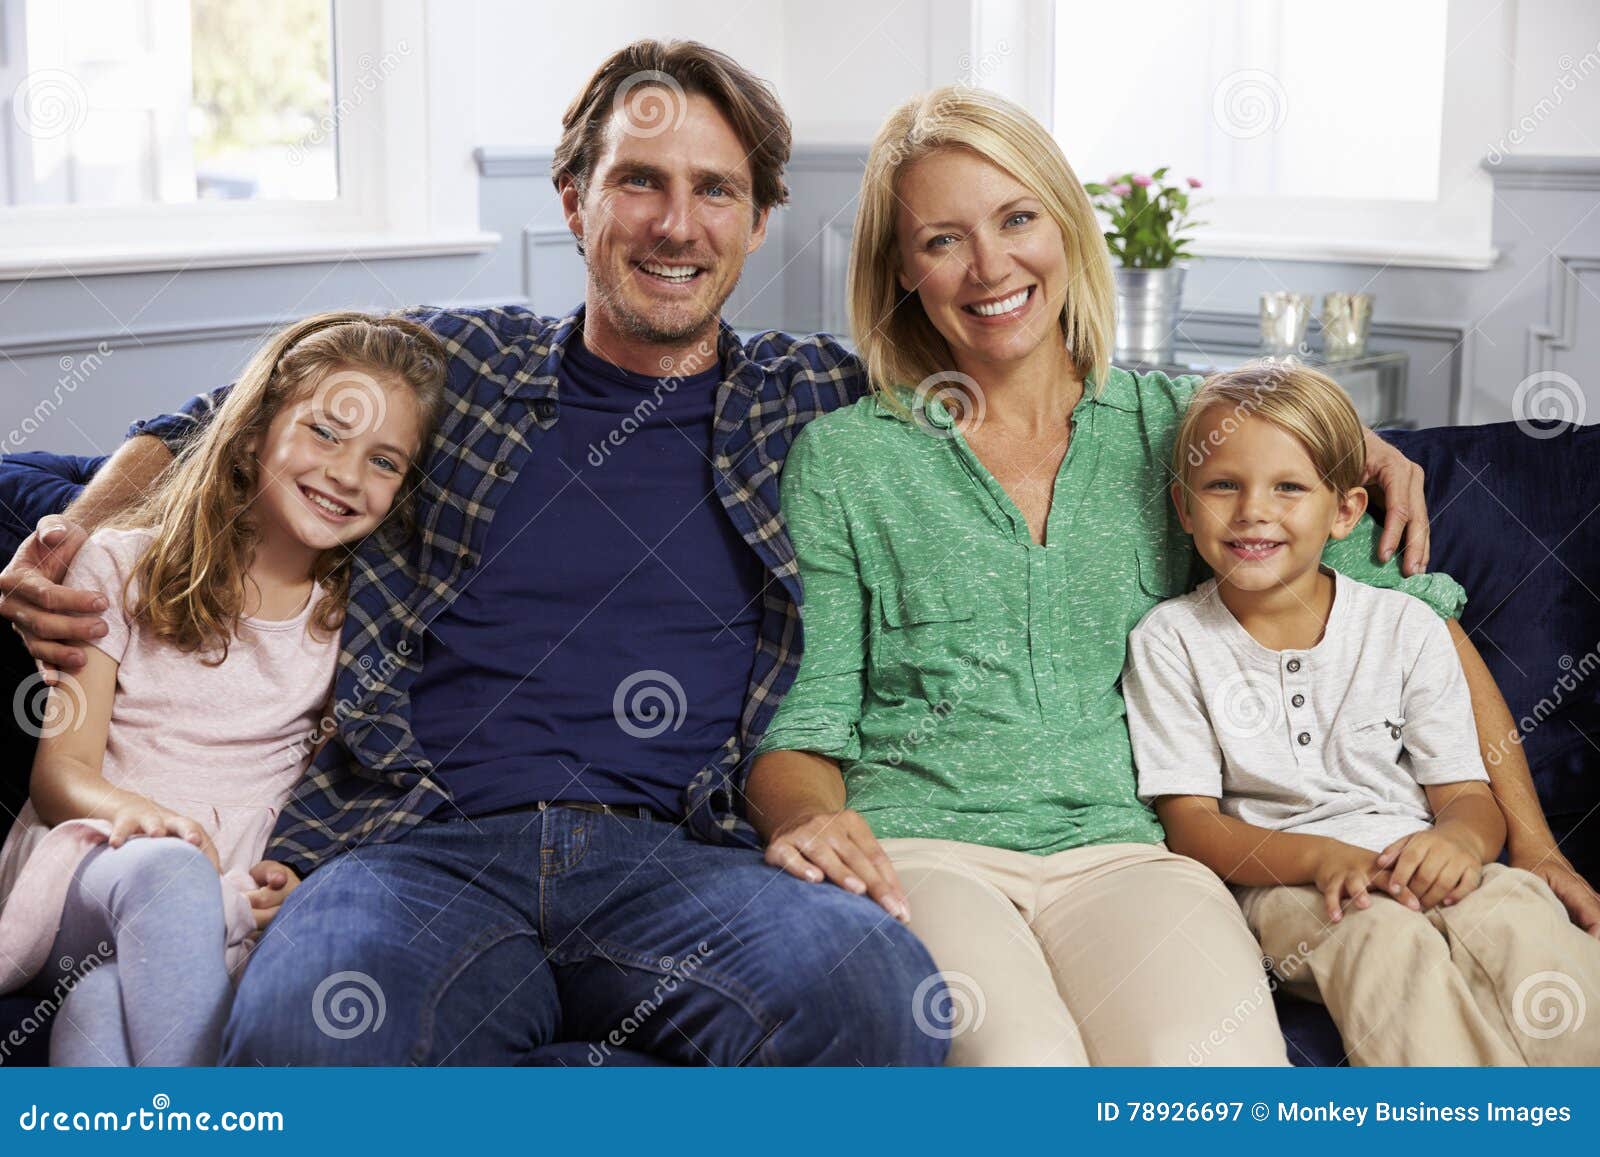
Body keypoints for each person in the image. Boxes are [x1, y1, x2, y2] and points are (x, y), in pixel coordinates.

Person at [0, 40, 953, 1066]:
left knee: (875, 996)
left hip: (683, 849)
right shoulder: (459, 362)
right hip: (418, 842)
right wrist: (73, 540)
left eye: (714, 189)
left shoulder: (815, 397)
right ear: (572, 199)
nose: (677, 223)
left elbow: (1009, 396)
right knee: (307, 1029)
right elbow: (222, 418)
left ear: (761, 219)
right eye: (639, 179)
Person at [744, 84, 1588, 1066]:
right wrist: (809, 816)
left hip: (1135, 852)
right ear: (899, 267)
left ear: (1066, 226)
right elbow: (809, 716)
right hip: (927, 850)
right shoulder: (846, 458)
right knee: (1022, 1067)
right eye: (942, 239)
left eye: (1018, 218)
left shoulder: (1189, 429)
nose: (991, 265)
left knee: (1210, 1072)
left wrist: (1533, 844)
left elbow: (1423, 623)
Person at [0, 311, 446, 1065]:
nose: (345, 473)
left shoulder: (357, 621)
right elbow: (59, 775)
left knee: (100, 1003)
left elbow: (360, 783)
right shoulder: (116, 565)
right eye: (325, 432)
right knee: (169, 874)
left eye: (384, 460)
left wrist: (298, 875)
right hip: (92, 863)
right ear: (251, 438)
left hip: (229, 890)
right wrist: (150, 821)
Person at [1123, 364, 1600, 1065]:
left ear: (1344, 511)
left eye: (1289, 486)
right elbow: (1192, 826)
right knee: (1388, 943)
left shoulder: (1405, 626)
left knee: (1523, 917)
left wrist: (1461, 844)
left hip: (1416, 851)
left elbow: (1468, 795)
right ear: (1185, 506)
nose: (1254, 508)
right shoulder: (1171, 640)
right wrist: (1323, 857)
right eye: (1224, 484)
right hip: (1289, 884)